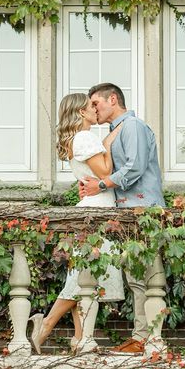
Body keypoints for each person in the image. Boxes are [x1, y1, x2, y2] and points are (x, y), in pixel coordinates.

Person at [29, 93, 125, 354]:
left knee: (83, 277)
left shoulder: (80, 138)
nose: (96, 109)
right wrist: (111, 138)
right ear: (81, 113)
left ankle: (80, 338)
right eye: (91, 106)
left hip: (94, 207)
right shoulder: (83, 138)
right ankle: (46, 325)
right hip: (97, 212)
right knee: (85, 279)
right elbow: (105, 172)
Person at [80, 83, 165, 354]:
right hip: (128, 213)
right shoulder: (117, 130)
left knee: (148, 278)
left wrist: (101, 185)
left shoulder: (133, 127)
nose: (93, 109)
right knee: (137, 279)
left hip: (144, 212)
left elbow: (135, 167)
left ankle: (147, 338)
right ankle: (141, 336)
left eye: (96, 103)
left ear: (113, 99)